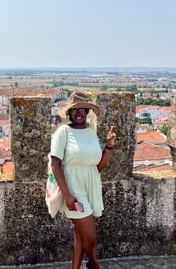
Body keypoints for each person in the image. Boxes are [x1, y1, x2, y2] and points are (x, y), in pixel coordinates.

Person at [50, 91, 116, 269]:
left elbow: (97, 167)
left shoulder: (91, 134)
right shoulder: (63, 131)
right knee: (90, 237)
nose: (79, 113)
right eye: (75, 110)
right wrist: (68, 195)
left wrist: (108, 146)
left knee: (80, 235)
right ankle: (94, 265)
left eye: (84, 110)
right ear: (69, 113)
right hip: (74, 188)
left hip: (91, 186)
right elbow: (55, 164)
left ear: (88, 112)